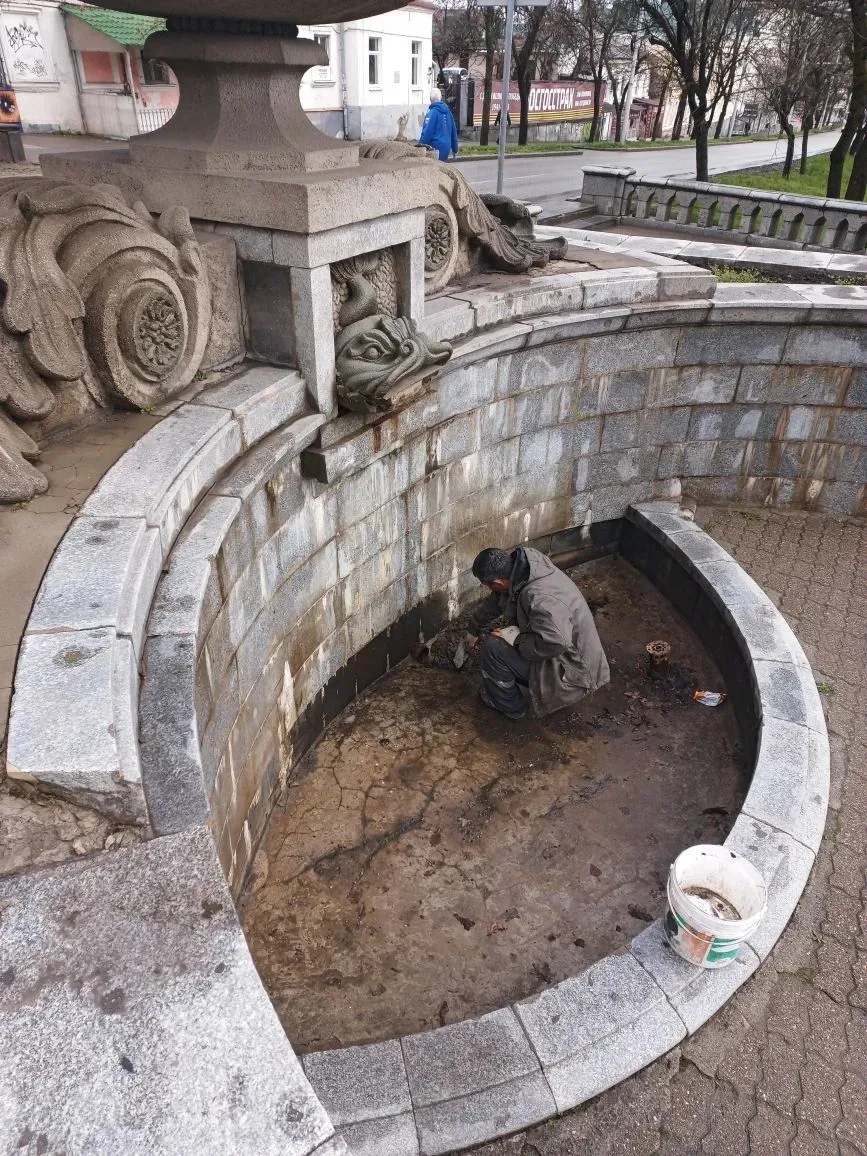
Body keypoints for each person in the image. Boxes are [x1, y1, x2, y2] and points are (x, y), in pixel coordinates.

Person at [466, 546, 610, 720]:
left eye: (489, 585)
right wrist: (474, 628)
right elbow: (498, 599)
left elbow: (556, 641)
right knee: (504, 639)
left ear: (497, 582)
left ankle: (510, 707)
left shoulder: (539, 598)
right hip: (573, 656)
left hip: (575, 674)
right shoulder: (525, 569)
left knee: (493, 647)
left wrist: (516, 639)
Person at [418, 87, 459, 162]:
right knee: (441, 166)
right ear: (440, 98)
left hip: (435, 148)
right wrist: (455, 149)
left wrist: (420, 147)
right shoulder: (448, 112)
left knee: (432, 168)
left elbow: (427, 133)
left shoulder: (432, 113)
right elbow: (453, 132)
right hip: (446, 148)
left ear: (430, 99)